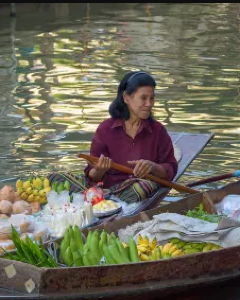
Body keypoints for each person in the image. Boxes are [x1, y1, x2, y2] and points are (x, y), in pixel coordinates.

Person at [48, 71, 178, 203]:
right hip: (105, 189)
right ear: (126, 98)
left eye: (152, 98)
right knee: (54, 178)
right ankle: (102, 198)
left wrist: (152, 167)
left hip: (136, 189)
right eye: (143, 98)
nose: (149, 104)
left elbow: (171, 170)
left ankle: (98, 200)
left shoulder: (157, 130)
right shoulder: (105, 129)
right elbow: (92, 176)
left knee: (144, 187)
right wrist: (99, 170)